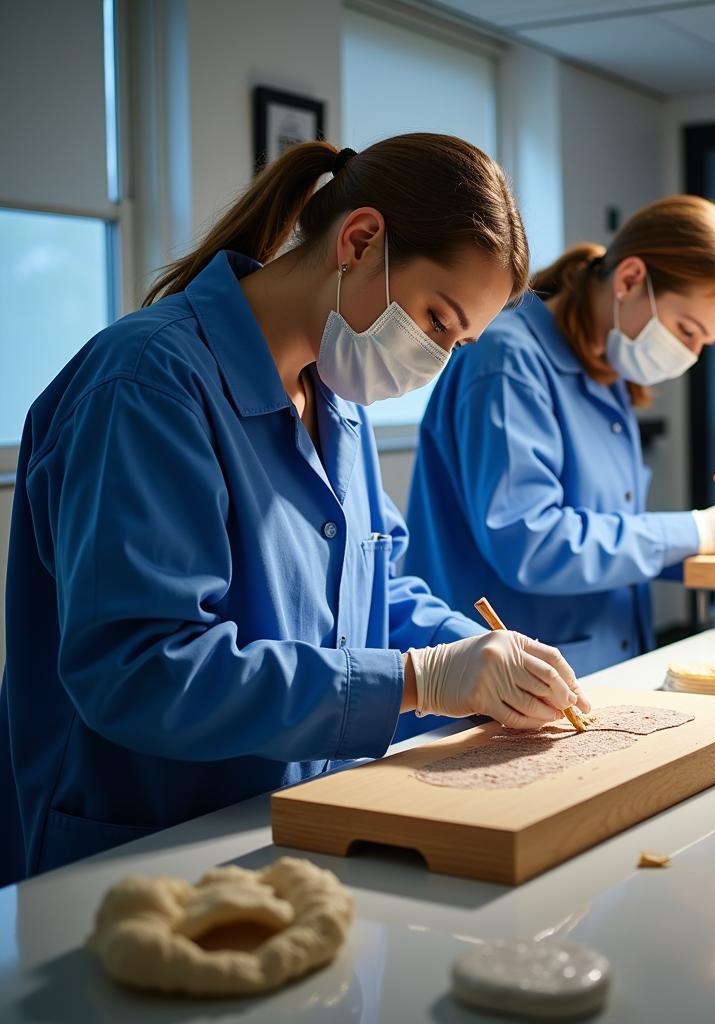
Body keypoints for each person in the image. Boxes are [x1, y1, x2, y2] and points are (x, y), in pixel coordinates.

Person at [0, 134, 590, 886]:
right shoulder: (147, 384)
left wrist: (484, 655)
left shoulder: (336, 398)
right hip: (141, 850)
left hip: (295, 829)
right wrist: (420, 680)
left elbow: (376, 588)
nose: (436, 358)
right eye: (437, 320)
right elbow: (141, 669)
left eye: (458, 341)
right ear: (360, 239)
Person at [404, 195, 715, 679]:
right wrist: (695, 530)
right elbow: (531, 541)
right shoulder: (507, 360)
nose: (690, 355)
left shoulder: (606, 372)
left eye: (704, 344)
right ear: (630, 280)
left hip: (601, 662)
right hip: (509, 678)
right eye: (687, 330)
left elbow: (609, 531)